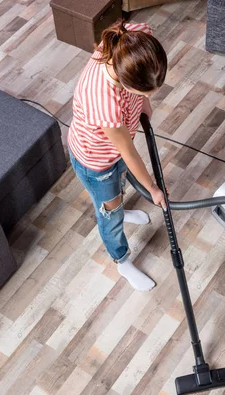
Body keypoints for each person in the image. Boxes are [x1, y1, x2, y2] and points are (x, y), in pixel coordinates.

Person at [67, 19, 168, 292]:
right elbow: (127, 151)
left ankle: (121, 209)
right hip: (97, 163)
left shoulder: (134, 39)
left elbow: (125, 150)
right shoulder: (103, 99)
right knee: (110, 215)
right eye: (142, 91)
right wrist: (153, 189)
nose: (147, 96)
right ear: (125, 82)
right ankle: (121, 260)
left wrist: (144, 100)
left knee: (122, 182)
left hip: (118, 148)